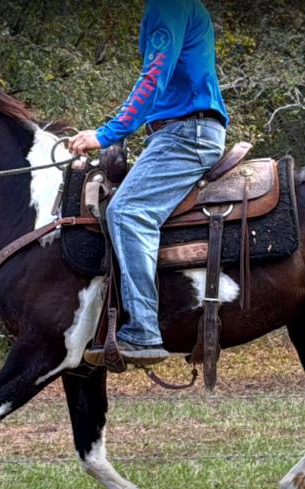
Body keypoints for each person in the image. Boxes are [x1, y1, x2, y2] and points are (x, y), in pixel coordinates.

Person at [69, 0, 228, 366]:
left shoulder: (167, 5)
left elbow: (152, 79)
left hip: (185, 135)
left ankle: (143, 331)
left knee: (128, 212)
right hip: (180, 132)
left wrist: (106, 134)